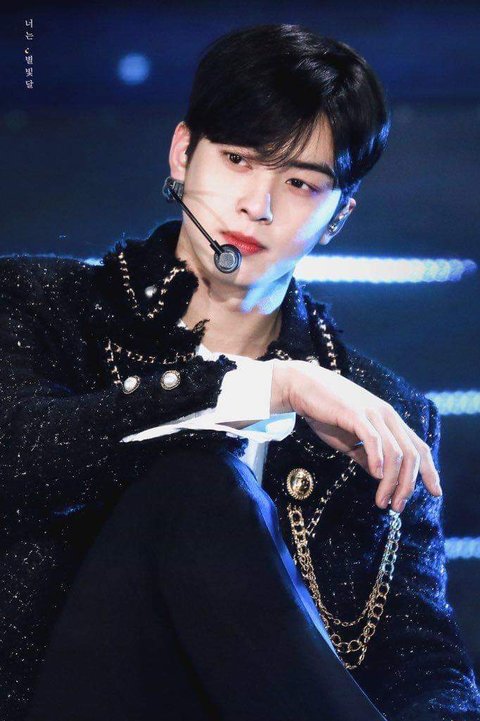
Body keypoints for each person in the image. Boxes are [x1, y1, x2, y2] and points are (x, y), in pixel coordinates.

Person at [1, 22, 478, 721]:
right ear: (182, 153)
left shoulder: (384, 411)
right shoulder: (42, 305)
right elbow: (20, 456)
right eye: (237, 160)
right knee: (198, 475)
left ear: (339, 216)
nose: (258, 206)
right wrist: (266, 386)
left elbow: (419, 657)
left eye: (300, 183)